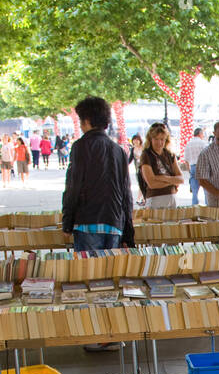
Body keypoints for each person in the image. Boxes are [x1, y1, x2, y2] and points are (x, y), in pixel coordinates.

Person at [61, 95, 133, 260]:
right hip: (114, 223)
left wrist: (67, 222)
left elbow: (73, 186)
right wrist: (128, 232)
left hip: (88, 222)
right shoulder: (118, 150)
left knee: (89, 277)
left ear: (86, 120)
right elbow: (126, 192)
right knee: (108, 277)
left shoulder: (80, 146)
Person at [138, 122, 183, 206]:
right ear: (150, 139)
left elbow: (181, 179)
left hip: (172, 198)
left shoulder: (170, 154)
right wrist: (173, 181)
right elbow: (152, 184)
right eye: (156, 139)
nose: (159, 142)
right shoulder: (146, 155)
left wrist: (163, 178)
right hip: (155, 199)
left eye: (162, 139)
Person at [183, 126, 206, 205]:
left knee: (194, 190)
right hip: (202, 167)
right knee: (206, 187)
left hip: (193, 166)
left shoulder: (188, 144)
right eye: (203, 134)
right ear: (200, 134)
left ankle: (194, 205)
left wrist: (189, 170)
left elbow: (186, 160)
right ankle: (207, 204)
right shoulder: (203, 143)